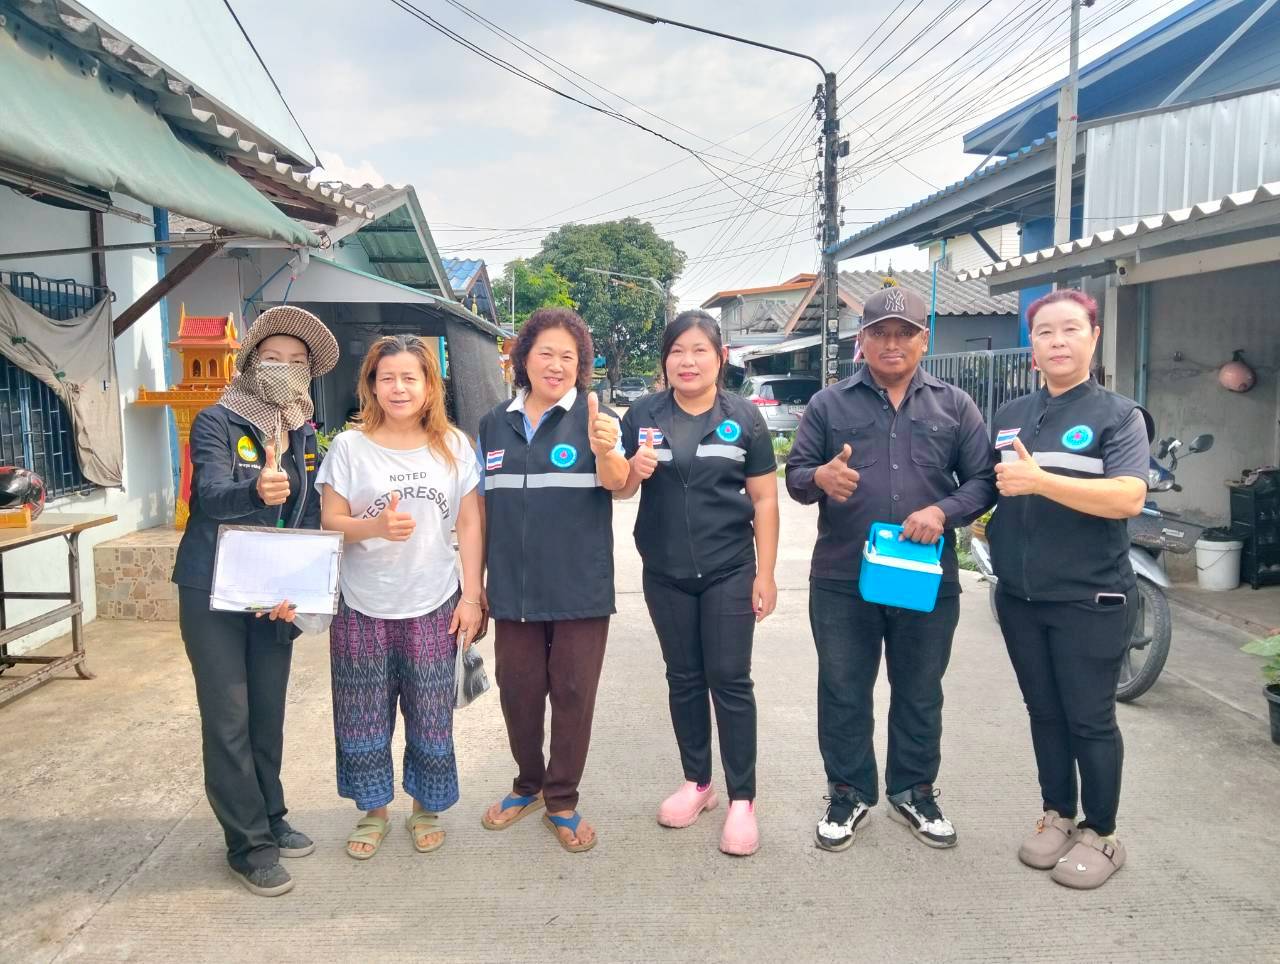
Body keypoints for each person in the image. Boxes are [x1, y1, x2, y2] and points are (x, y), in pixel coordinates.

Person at [785, 286, 996, 853]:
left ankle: (914, 791)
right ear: (863, 340)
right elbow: (796, 476)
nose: (892, 343)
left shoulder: (955, 406)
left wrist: (942, 511)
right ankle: (848, 793)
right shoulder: (828, 405)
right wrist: (819, 478)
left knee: (920, 691)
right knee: (843, 689)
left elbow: (983, 481)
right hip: (843, 577)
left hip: (925, 578)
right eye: (880, 333)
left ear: (924, 340)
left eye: (905, 333)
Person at [171, 305, 339, 897]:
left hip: (275, 596)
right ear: (249, 362)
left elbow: (309, 513)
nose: (284, 369)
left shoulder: (305, 433)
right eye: (272, 358)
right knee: (229, 720)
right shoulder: (217, 421)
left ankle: (271, 815)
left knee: (267, 714)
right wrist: (255, 488)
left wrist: (301, 589)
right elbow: (211, 495)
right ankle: (248, 845)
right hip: (213, 591)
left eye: (296, 362)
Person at [987, 289, 1149, 890]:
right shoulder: (1011, 414)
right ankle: (1057, 813)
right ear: (1032, 346)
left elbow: (1128, 496)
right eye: (1045, 332)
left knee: (1089, 718)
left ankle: (1102, 832)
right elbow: (987, 486)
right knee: (1045, 712)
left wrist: (1041, 480)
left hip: (1091, 599)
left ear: (1094, 337)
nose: (1058, 341)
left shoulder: (1119, 416)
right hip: (1021, 598)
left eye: (1071, 329)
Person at [616, 310, 779, 857]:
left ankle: (742, 800)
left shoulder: (745, 418)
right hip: (664, 572)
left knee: (729, 680)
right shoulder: (642, 414)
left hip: (729, 568)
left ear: (720, 358)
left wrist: (766, 572)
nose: (687, 361)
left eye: (699, 351)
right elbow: (618, 488)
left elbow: (764, 499)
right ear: (665, 360)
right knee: (683, 678)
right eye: (677, 351)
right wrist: (631, 472)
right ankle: (698, 783)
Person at [317, 335, 484, 860]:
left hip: (434, 600)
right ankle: (374, 811)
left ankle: (425, 808)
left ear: (430, 386)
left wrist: (473, 596)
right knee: (362, 714)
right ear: (371, 385)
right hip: (361, 603)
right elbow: (330, 522)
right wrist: (373, 527)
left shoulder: (453, 446)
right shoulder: (349, 448)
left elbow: (470, 522)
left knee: (431, 713)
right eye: (386, 378)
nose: (398, 388)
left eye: (410, 377)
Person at [477, 307, 628, 853]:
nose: (556, 365)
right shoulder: (494, 423)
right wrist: (475, 584)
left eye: (568, 356)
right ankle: (528, 784)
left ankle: (561, 798)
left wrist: (606, 449)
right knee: (518, 691)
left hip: (579, 588)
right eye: (546, 353)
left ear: (580, 365)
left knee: (572, 693)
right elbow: (480, 509)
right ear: (524, 358)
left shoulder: (596, 417)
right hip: (513, 588)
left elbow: (620, 485)